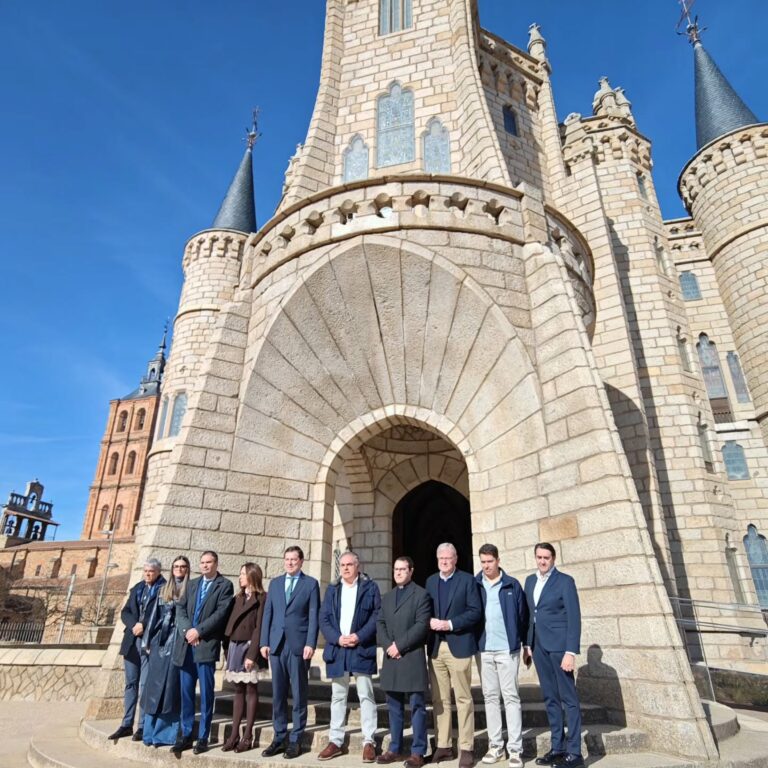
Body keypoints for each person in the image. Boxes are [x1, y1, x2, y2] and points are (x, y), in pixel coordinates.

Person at [317, 551, 382, 763]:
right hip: (339, 649)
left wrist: (359, 636)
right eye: (343, 565)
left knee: (366, 695)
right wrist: (337, 638)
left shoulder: (370, 588)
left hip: (361, 648)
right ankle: (335, 741)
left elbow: (376, 615)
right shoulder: (333, 589)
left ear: (357, 566)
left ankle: (369, 741)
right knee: (338, 696)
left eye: (349, 564)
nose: (345, 568)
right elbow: (324, 618)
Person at [523, 543, 583, 768]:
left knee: (569, 699)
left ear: (553, 558)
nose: (542, 561)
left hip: (559, 648)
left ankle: (575, 753)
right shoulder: (530, 581)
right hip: (538, 647)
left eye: (546, 557)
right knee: (550, 697)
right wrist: (527, 645)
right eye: (539, 557)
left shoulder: (565, 582)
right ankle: (558, 747)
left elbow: (574, 618)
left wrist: (570, 652)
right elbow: (529, 615)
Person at [259, 545, 321, 759]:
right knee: (278, 694)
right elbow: (268, 614)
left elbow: (313, 615)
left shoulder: (310, 584)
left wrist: (311, 643)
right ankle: (279, 738)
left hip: (298, 646)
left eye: (294, 559)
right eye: (287, 559)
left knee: (299, 693)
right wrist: (264, 642)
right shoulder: (275, 583)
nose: (290, 562)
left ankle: (296, 740)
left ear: (301, 561)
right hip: (276, 645)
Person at [425, 543, 483, 768]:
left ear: (456, 559)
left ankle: (466, 747)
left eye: (448, 557)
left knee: (463, 698)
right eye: (441, 557)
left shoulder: (467, 580)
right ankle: (443, 746)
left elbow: (475, 612)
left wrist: (449, 624)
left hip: (458, 645)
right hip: (436, 647)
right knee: (439, 699)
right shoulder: (431, 581)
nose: (444, 561)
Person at [172, 550, 234, 755]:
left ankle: (203, 737)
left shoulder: (224, 585)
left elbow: (220, 614)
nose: (205, 565)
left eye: (209, 562)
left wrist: (198, 631)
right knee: (186, 693)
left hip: (206, 646)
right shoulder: (191, 584)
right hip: (187, 647)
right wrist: (187, 631)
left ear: (216, 564)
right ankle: (186, 734)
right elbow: (180, 610)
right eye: (202, 562)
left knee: (207, 695)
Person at [476, 544, 529, 768]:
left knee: (511, 697)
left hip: (508, 650)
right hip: (484, 650)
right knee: (490, 698)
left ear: (498, 560)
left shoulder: (512, 585)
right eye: (483, 562)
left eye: (490, 561)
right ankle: (496, 746)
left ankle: (515, 749)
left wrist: (526, 644)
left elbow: (523, 617)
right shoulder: (475, 584)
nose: (486, 566)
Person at [376, 556, 432, 768]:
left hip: (411, 656)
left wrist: (399, 646)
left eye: (402, 569)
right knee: (394, 706)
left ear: (411, 571)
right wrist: (388, 646)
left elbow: (421, 625)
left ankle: (418, 751)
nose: (398, 573)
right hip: (391, 657)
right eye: (396, 569)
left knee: (417, 706)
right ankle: (395, 749)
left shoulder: (421, 594)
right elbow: (380, 622)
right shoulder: (388, 597)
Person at [109, 558, 165, 741]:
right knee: (130, 684)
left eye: (151, 571)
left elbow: (163, 614)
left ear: (158, 572)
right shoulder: (138, 588)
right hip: (132, 640)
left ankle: (142, 726)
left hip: (149, 643)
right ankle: (126, 724)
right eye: (145, 570)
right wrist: (135, 624)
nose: (147, 574)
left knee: (144, 685)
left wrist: (144, 625)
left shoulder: (164, 589)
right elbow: (125, 612)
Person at [140, 555, 190, 746]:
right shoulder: (164, 589)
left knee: (171, 689)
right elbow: (154, 616)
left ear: (187, 569)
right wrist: (147, 642)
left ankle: (165, 734)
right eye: (176, 566)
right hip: (160, 643)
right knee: (154, 689)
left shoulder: (191, 588)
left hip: (178, 642)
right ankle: (149, 732)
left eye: (183, 566)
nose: (179, 569)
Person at [221, 562, 269, 754]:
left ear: (252, 575)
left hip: (250, 647)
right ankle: (234, 735)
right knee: (238, 690)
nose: (240, 577)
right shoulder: (238, 598)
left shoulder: (262, 598)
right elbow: (230, 624)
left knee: (250, 689)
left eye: (243, 573)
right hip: (235, 646)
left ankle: (247, 735)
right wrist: (227, 647)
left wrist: (252, 655)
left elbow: (259, 627)